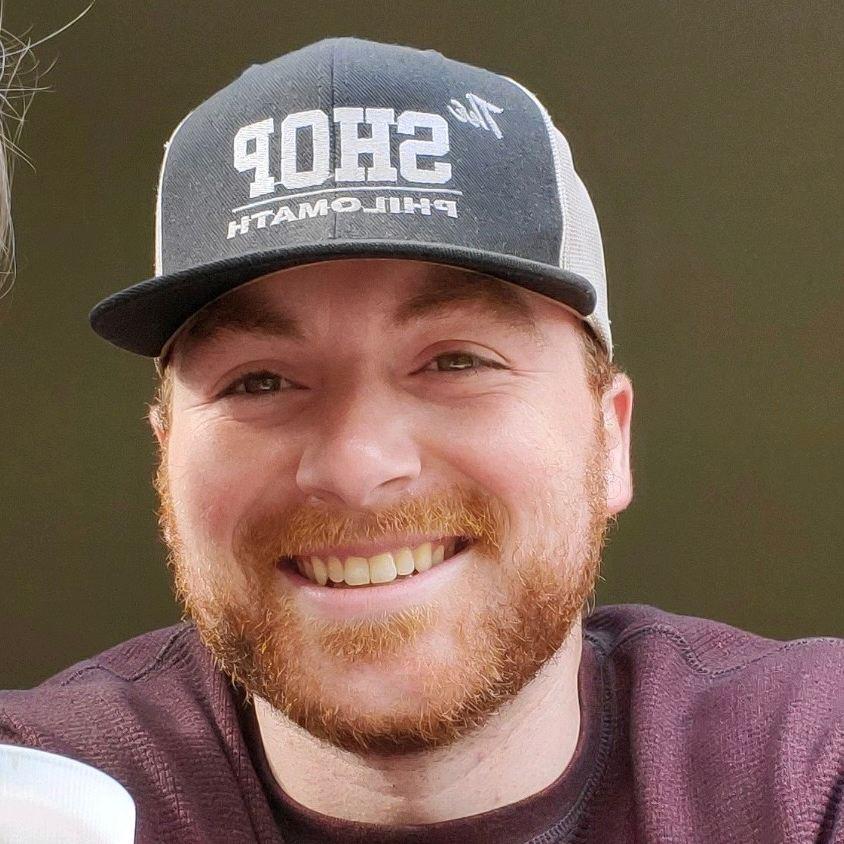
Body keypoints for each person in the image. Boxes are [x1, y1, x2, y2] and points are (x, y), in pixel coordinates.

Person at [1, 38, 841, 843]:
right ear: (165, 459)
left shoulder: (807, 771)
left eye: (456, 361)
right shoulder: (39, 786)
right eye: (258, 381)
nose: (355, 465)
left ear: (609, 437)